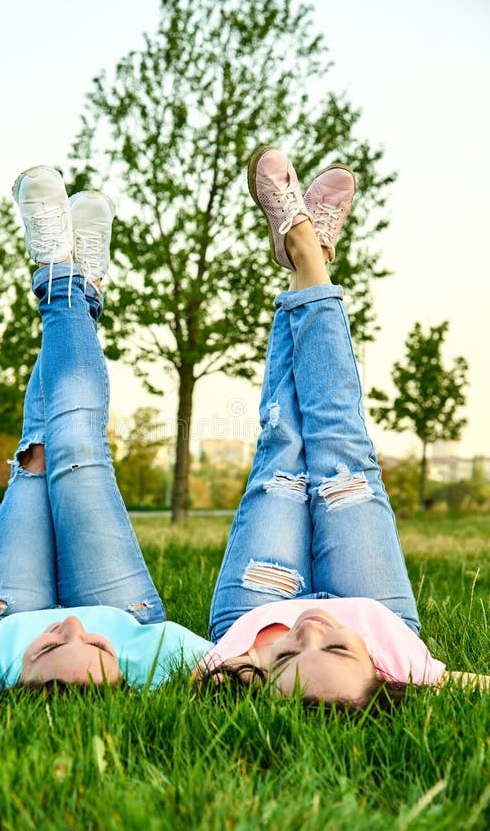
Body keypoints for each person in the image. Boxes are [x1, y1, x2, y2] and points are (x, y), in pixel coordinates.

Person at [199, 147, 489, 708]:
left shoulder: (224, 670)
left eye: (286, 657)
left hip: (255, 609)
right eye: (334, 651)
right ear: (384, 675)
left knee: (284, 444)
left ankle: (307, 251)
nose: (309, 628)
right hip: (375, 605)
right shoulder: (404, 660)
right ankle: (309, 252)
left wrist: (253, 655)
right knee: (339, 442)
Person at [0, 166, 210, 691]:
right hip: (129, 613)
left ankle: (70, 279)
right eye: (91, 644)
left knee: (38, 451)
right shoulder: (159, 664)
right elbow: (245, 668)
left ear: (17, 677)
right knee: (78, 444)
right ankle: (66, 281)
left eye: (53, 645)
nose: (72, 625)